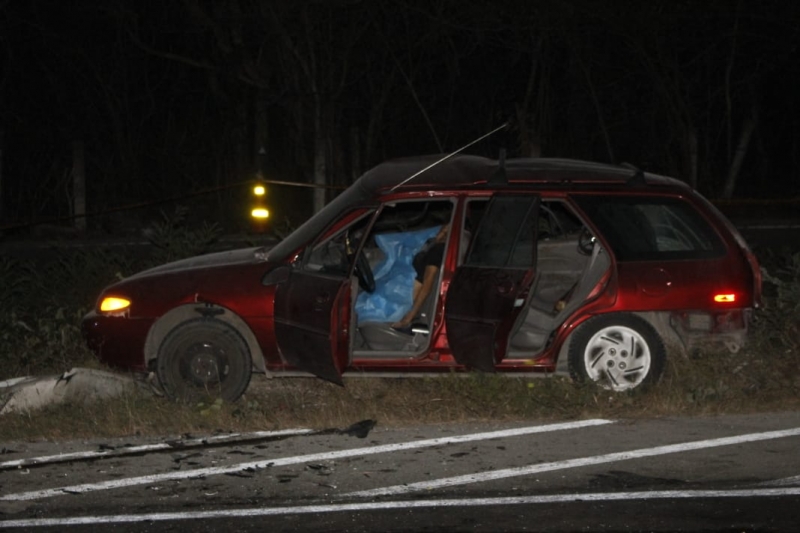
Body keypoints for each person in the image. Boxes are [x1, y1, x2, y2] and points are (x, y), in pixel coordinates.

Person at [392, 224, 449, 329]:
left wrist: (409, 316)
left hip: (403, 300)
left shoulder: (437, 251)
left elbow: (427, 284)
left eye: (446, 233)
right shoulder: (435, 248)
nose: (441, 235)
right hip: (400, 292)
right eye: (442, 231)